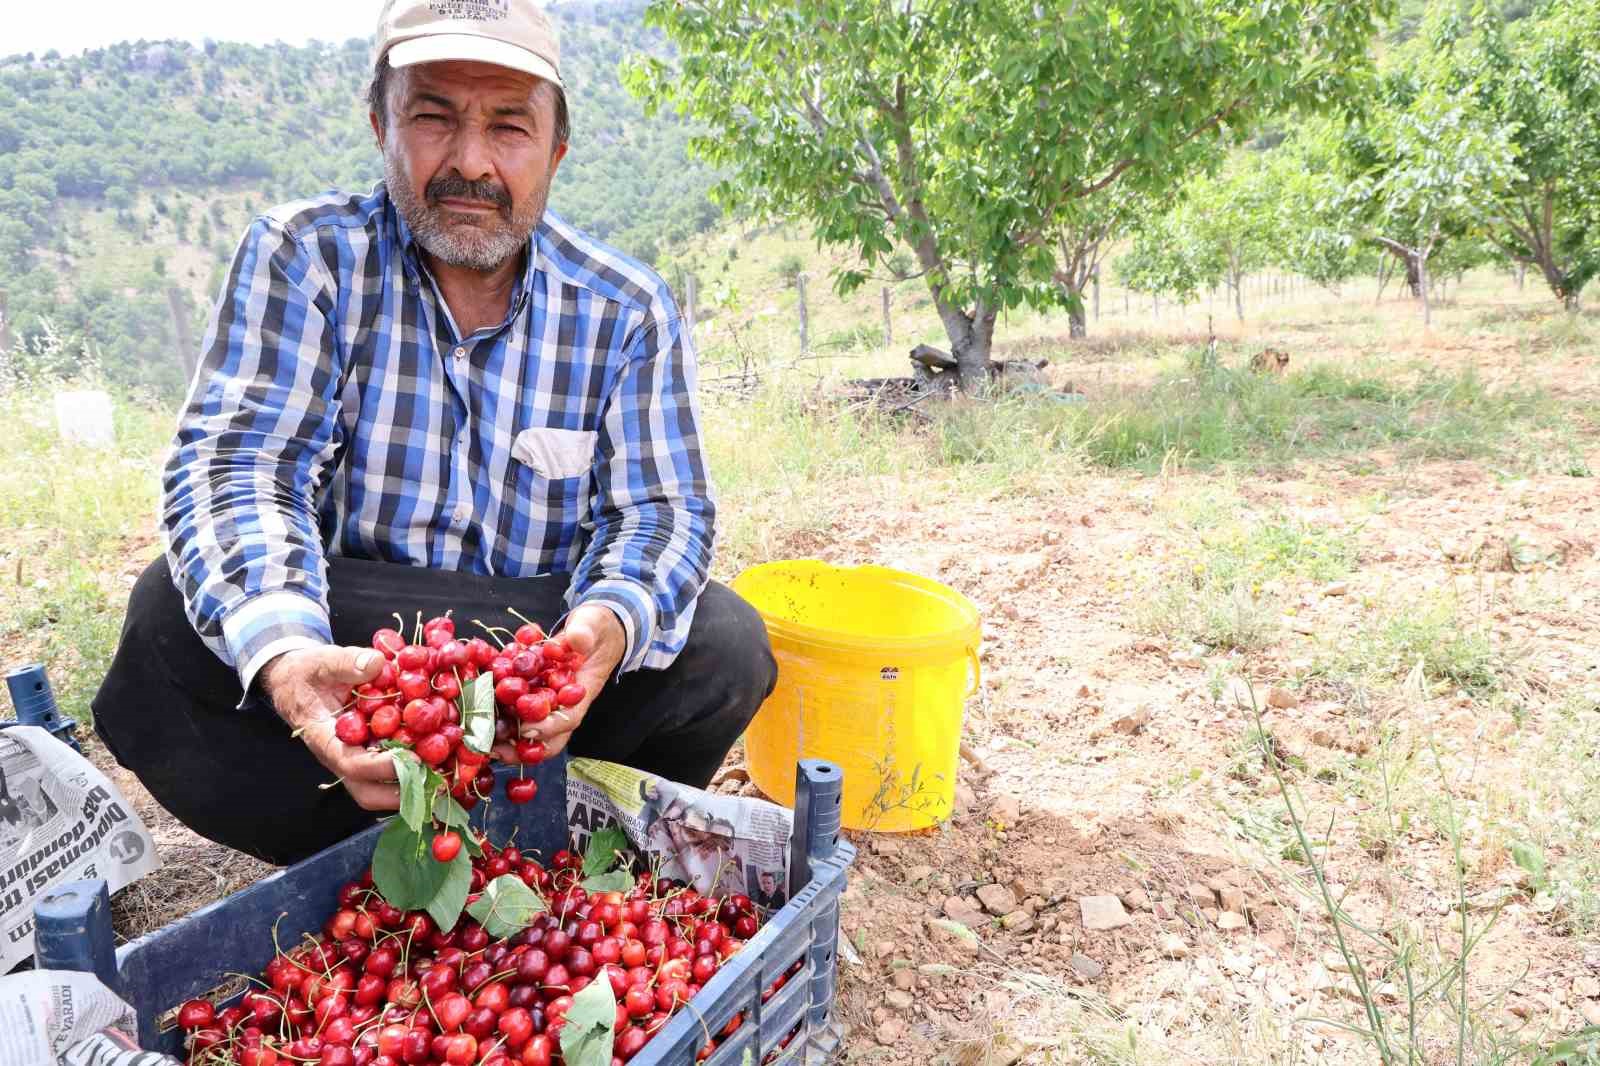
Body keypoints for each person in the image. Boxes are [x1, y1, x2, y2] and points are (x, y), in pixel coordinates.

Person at [91, 0, 776, 866]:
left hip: (531, 645)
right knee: (166, 623)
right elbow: (240, 467)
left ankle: (532, 845)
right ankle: (364, 856)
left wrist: (601, 630)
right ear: (380, 124)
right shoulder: (304, 259)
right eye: (432, 117)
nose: (471, 162)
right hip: (360, 644)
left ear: (556, 151)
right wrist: (291, 659)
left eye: (509, 126)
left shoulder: (624, 308)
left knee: (724, 647)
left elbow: (661, 514)